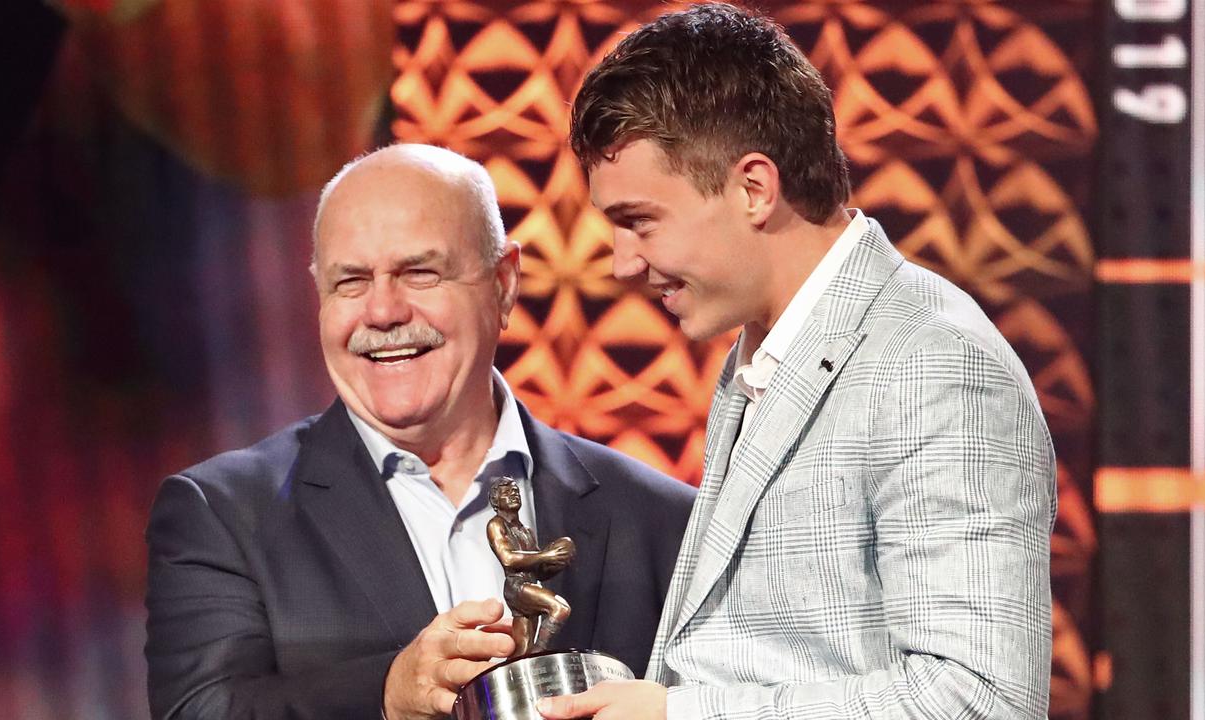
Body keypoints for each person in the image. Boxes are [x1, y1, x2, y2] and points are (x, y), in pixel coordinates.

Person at [538, 4, 1057, 719]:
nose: (623, 263)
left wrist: (679, 716)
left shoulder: (936, 368)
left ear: (754, 187)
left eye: (639, 221)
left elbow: (979, 700)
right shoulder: (766, 346)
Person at [144, 144, 696, 720]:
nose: (382, 312)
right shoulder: (223, 514)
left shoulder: (661, 519)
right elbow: (198, 712)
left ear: (504, 284)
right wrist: (385, 694)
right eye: (351, 282)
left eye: (420, 272)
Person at [486, 477, 574, 655]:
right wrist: (546, 555)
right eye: (507, 491)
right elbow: (508, 558)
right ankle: (539, 653)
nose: (513, 494)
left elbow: (539, 572)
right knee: (560, 608)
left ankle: (524, 665)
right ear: (495, 501)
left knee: (522, 650)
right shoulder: (496, 524)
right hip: (517, 586)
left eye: (516, 491)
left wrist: (557, 562)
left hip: (530, 585)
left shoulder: (526, 531)